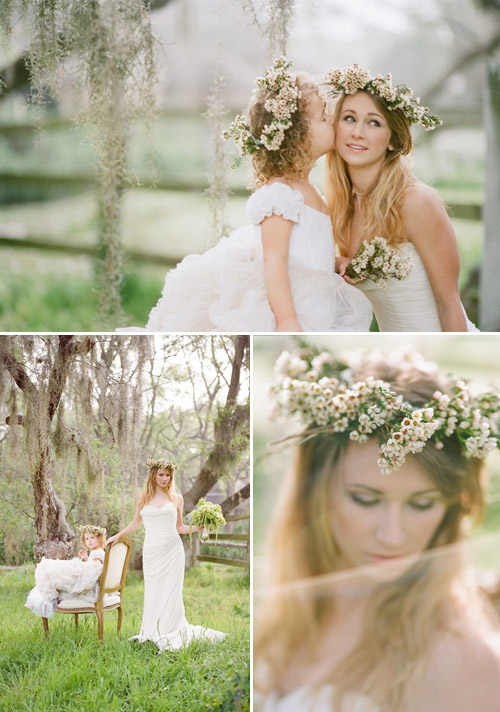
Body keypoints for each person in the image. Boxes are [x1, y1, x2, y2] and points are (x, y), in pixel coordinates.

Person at [254, 344, 500, 711]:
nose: (392, 536)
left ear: (451, 507)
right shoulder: (278, 613)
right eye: (366, 500)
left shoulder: (462, 662)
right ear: (316, 490)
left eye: (422, 504)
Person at [117, 57, 372, 333]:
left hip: (316, 300)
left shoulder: (307, 189)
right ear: (298, 137)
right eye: (323, 117)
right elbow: (274, 261)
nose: (332, 122)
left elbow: (302, 254)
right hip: (291, 309)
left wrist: (332, 264)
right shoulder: (281, 196)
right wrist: (287, 320)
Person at [323, 65, 478, 332]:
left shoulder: (416, 202)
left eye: (374, 122)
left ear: (393, 141)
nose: (357, 132)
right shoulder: (341, 205)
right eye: (349, 118)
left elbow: (449, 305)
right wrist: (338, 263)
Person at [106, 457, 226, 651]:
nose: (164, 479)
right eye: (161, 474)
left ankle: (171, 629)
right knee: (153, 591)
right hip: (153, 550)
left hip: (172, 550)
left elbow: (180, 527)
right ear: (153, 475)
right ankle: (152, 630)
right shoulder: (143, 497)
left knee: (172, 592)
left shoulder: (176, 498)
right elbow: (136, 523)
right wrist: (118, 536)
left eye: (168, 475)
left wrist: (197, 528)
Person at [25, 524, 107, 618]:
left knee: (57, 572)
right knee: (61, 570)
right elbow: (94, 567)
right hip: (95, 581)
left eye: (92, 538)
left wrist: (79, 568)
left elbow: (93, 571)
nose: (89, 541)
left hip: (92, 588)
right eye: (87, 538)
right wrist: (86, 558)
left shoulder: (97, 552)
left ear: (100, 538)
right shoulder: (98, 552)